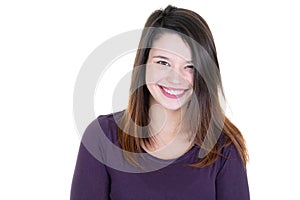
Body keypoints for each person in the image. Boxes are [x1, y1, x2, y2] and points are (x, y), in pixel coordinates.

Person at [71, 5, 250, 200]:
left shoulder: (224, 148)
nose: (175, 79)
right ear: (143, 63)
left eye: (189, 67)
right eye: (163, 62)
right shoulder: (101, 138)